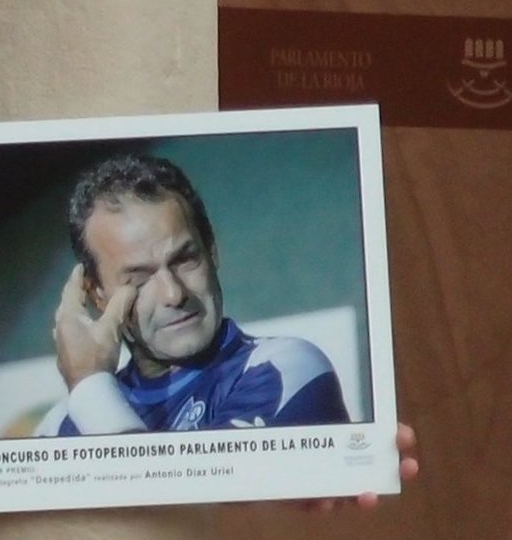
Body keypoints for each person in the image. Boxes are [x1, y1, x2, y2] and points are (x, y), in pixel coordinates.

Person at [37, 153, 349, 435]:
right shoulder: (60, 427)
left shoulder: (284, 369)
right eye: (139, 278)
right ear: (97, 295)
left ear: (211, 251)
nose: (173, 294)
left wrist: (89, 384)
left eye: (184, 259)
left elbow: (177, 484)